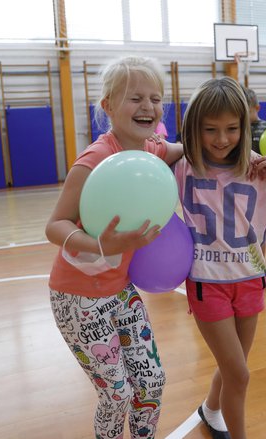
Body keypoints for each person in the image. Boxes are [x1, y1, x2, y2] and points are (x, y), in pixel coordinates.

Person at [45, 56, 183, 439]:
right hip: (77, 298)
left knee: (152, 383)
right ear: (107, 106)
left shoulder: (151, 152)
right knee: (117, 395)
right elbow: (54, 226)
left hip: (120, 291)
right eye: (135, 98)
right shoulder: (95, 159)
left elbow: (185, 150)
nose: (148, 107)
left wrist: (244, 154)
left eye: (156, 99)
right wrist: (100, 244)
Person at [174, 77, 266, 439]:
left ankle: (211, 408)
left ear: (245, 126)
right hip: (207, 283)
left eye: (232, 129)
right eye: (210, 129)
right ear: (194, 128)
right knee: (239, 373)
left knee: (235, 365)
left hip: (251, 279)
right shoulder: (181, 164)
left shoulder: (259, 168)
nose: (221, 139)